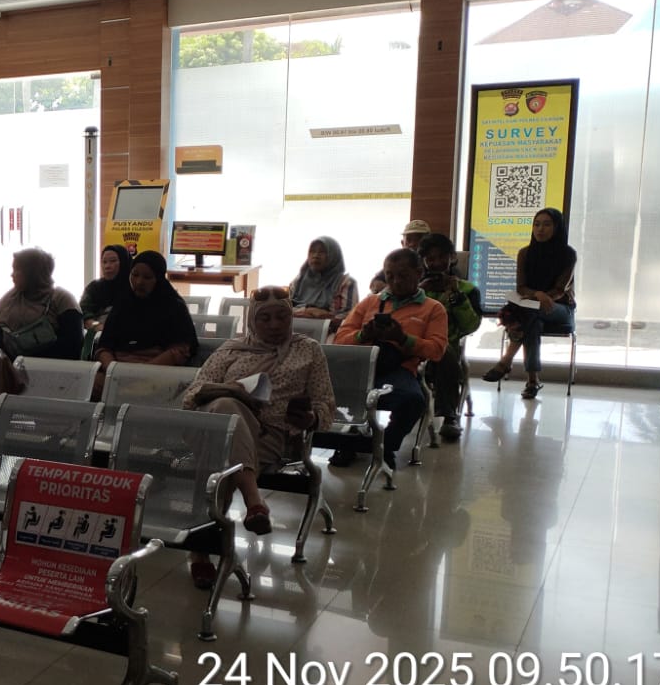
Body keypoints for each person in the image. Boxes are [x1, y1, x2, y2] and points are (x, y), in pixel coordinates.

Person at [180, 289, 336, 587]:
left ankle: (200, 552)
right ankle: (254, 501)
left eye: (282, 317)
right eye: (265, 318)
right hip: (219, 428)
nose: (275, 325)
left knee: (217, 456)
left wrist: (311, 418)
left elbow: (326, 403)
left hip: (270, 436)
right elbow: (192, 395)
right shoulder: (231, 350)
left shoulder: (308, 350)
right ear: (252, 320)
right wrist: (233, 390)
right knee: (226, 409)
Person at [333, 248, 448, 472]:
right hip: (361, 368)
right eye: (389, 276)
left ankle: (385, 445)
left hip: (400, 369)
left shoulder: (433, 309)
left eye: (403, 276)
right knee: (323, 391)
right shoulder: (369, 303)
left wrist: (403, 339)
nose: (395, 282)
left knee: (413, 401)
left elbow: (436, 351)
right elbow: (339, 340)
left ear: (419, 273)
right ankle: (348, 442)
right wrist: (363, 335)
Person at [483, 207, 577, 399]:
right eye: (536, 224)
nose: (540, 229)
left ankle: (506, 361)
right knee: (532, 322)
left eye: (547, 224)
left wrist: (542, 297)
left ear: (557, 228)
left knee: (527, 314)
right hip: (533, 309)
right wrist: (537, 295)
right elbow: (521, 287)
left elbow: (560, 289)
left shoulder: (568, 254)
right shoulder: (525, 253)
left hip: (561, 309)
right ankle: (533, 381)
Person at [92, 251, 197, 397]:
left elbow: (180, 350)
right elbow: (104, 347)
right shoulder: (123, 304)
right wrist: (114, 370)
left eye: (147, 277)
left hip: (156, 372)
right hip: (116, 372)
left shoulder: (173, 307)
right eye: (134, 275)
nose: (139, 282)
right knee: (87, 384)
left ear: (158, 279)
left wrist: (141, 372)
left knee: (139, 392)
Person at [418, 233, 483, 441]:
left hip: (446, 346)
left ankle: (449, 416)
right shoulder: (416, 287)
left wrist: (456, 296)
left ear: (452, 258)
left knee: (444, 352)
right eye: (430, 259)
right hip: (414, 344)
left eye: (441, 257)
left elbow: (470, 326)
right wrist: (418, 294)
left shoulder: (467, 289)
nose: (436, 263)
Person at [0, 247, 83, 359]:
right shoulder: (11, 298)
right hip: (11, 365)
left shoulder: (62, 299)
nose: (12, 275)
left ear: (31, 273)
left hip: (51, 365)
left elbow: (72, 347)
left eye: (17, 270)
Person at [287, 236, 360, 329]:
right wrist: (308, 311)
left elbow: (349, 317)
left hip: (330, 332)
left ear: (333, 256)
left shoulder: (345, 283)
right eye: (312, 251)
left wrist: (322, 317)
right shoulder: (298, 281)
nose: (316, 256)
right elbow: (285, 310)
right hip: (294, 330)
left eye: (322, 252)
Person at [79, 244, 132, 339]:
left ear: (124, 262)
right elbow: (84, 313)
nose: (107, 266)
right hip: (97, 338)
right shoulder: (94, 287)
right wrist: (97, 326)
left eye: (113, 261)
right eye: (104, 262)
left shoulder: (134, 288)